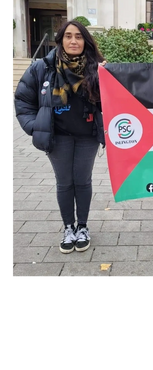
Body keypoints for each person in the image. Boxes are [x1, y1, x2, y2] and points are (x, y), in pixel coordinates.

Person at [14, 20, 106, 253]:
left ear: (85, 41)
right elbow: (23, 100)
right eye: (68, 36)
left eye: (78, 36)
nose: (73, 41)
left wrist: (108, 76)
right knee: (65, 182)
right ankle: (68, 228)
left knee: (82, 181)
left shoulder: (97, 68)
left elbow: (112, 102)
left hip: (88, 136)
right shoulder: (42, 67)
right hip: (58, 137)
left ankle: (82, 227)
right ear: (60, 40)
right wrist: (36, 127)